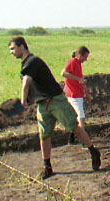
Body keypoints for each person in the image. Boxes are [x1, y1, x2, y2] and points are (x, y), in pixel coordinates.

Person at [8, 36, 101, 179]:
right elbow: (31, 87)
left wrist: (22, 104)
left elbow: (26, 84)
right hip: (42, 103)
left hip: (56, 100)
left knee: (73, 126)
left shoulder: (32, 61)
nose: (11, 52)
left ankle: (93, 151)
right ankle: (47, 166)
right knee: (44, 135)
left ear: (22, 47)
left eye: (13, 48)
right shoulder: (25, 64)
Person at [61, 46, 92, 146]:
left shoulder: (77, 63)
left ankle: (72, 138)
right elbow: (64, 73)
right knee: (81, 117)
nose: (86, 59)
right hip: (73, 94)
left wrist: (87, 93)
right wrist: (78, 79)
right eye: (85, 57)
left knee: (75, 117)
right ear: (79, 55)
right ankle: (83, 141)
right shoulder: (72, 62)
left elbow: (81, 79)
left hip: (76, 93)